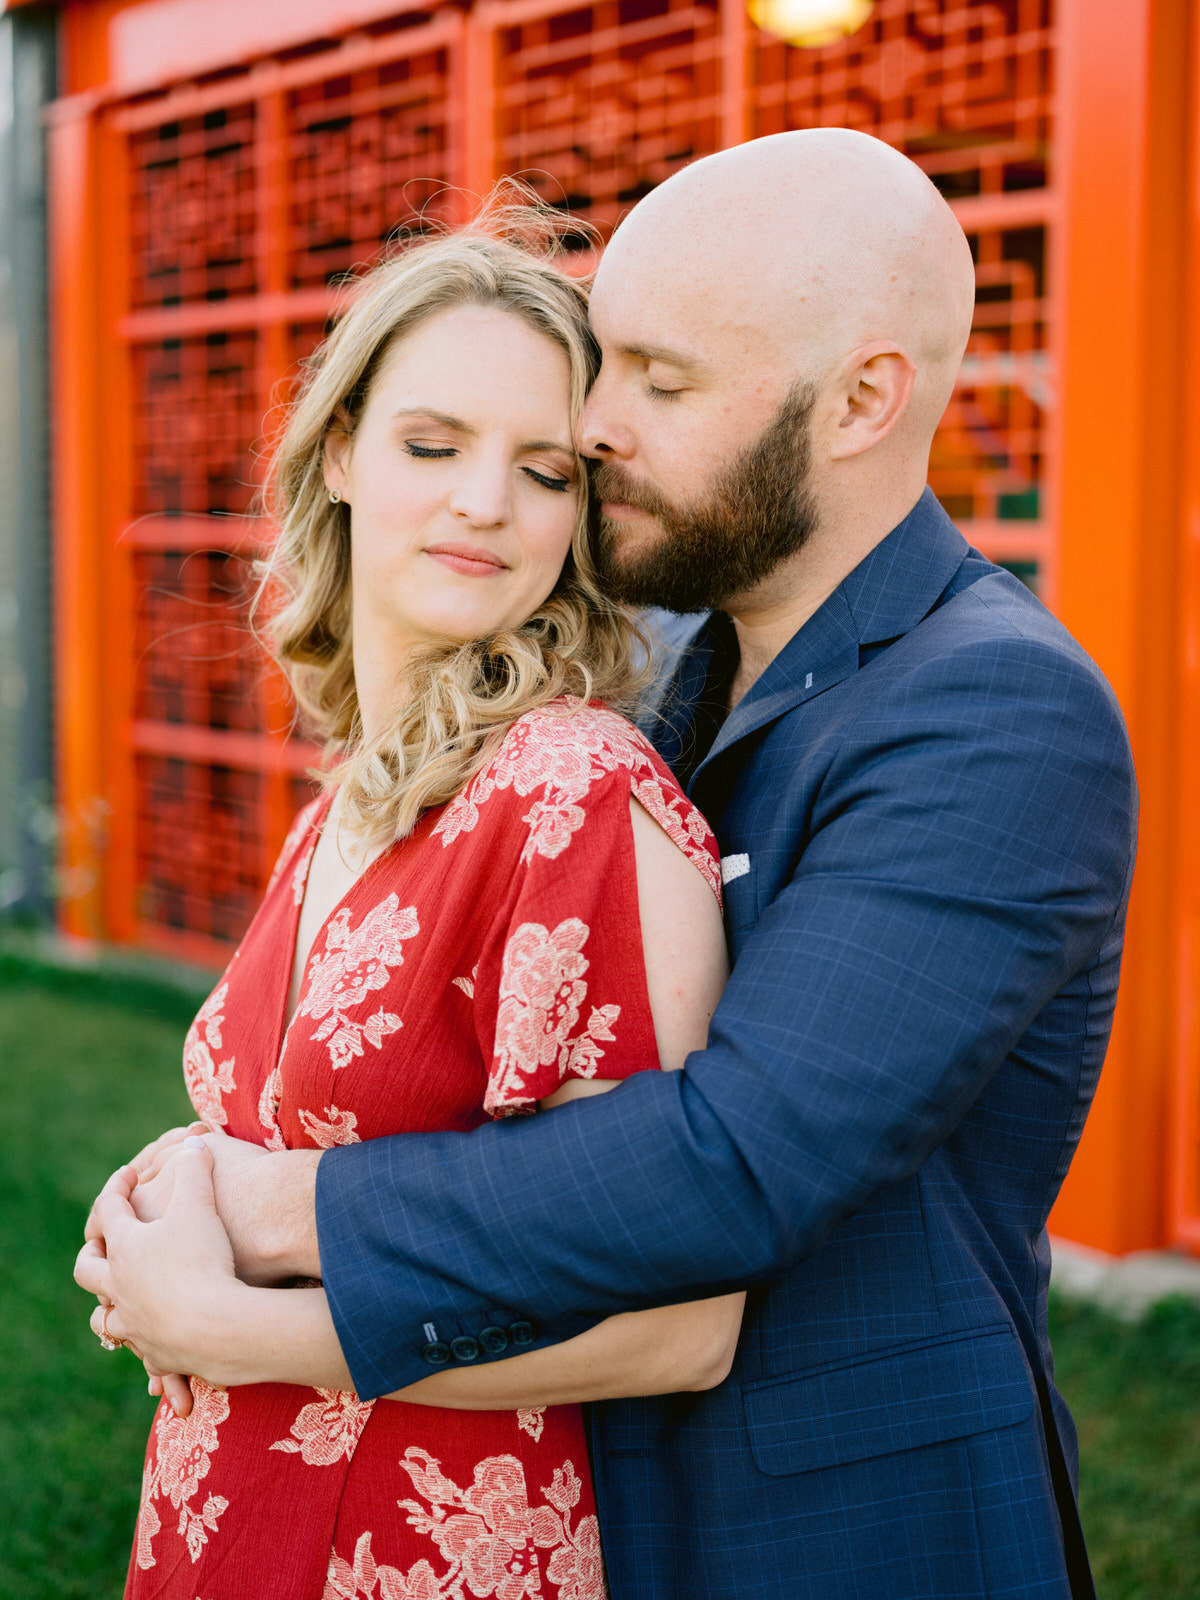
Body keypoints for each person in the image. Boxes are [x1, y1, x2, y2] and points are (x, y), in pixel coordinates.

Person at [80, 130, 1137, 1600]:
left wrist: (265, 1206)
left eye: (663, 380)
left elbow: (735, 1158)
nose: (597, 426)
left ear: (863, 401)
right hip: (585, 1488)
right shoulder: (673, 674)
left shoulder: (993, 708)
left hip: (843, 1535)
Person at [78, 214, 741, 1598]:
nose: (486, 503)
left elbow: (676, 1322)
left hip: (429, 1550)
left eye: (544, 469)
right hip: (219, 1525)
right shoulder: (346, 803)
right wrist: (175, 1182)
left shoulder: (572, 793)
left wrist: (229, 1325)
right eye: (434, 445)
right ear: (341, 453)